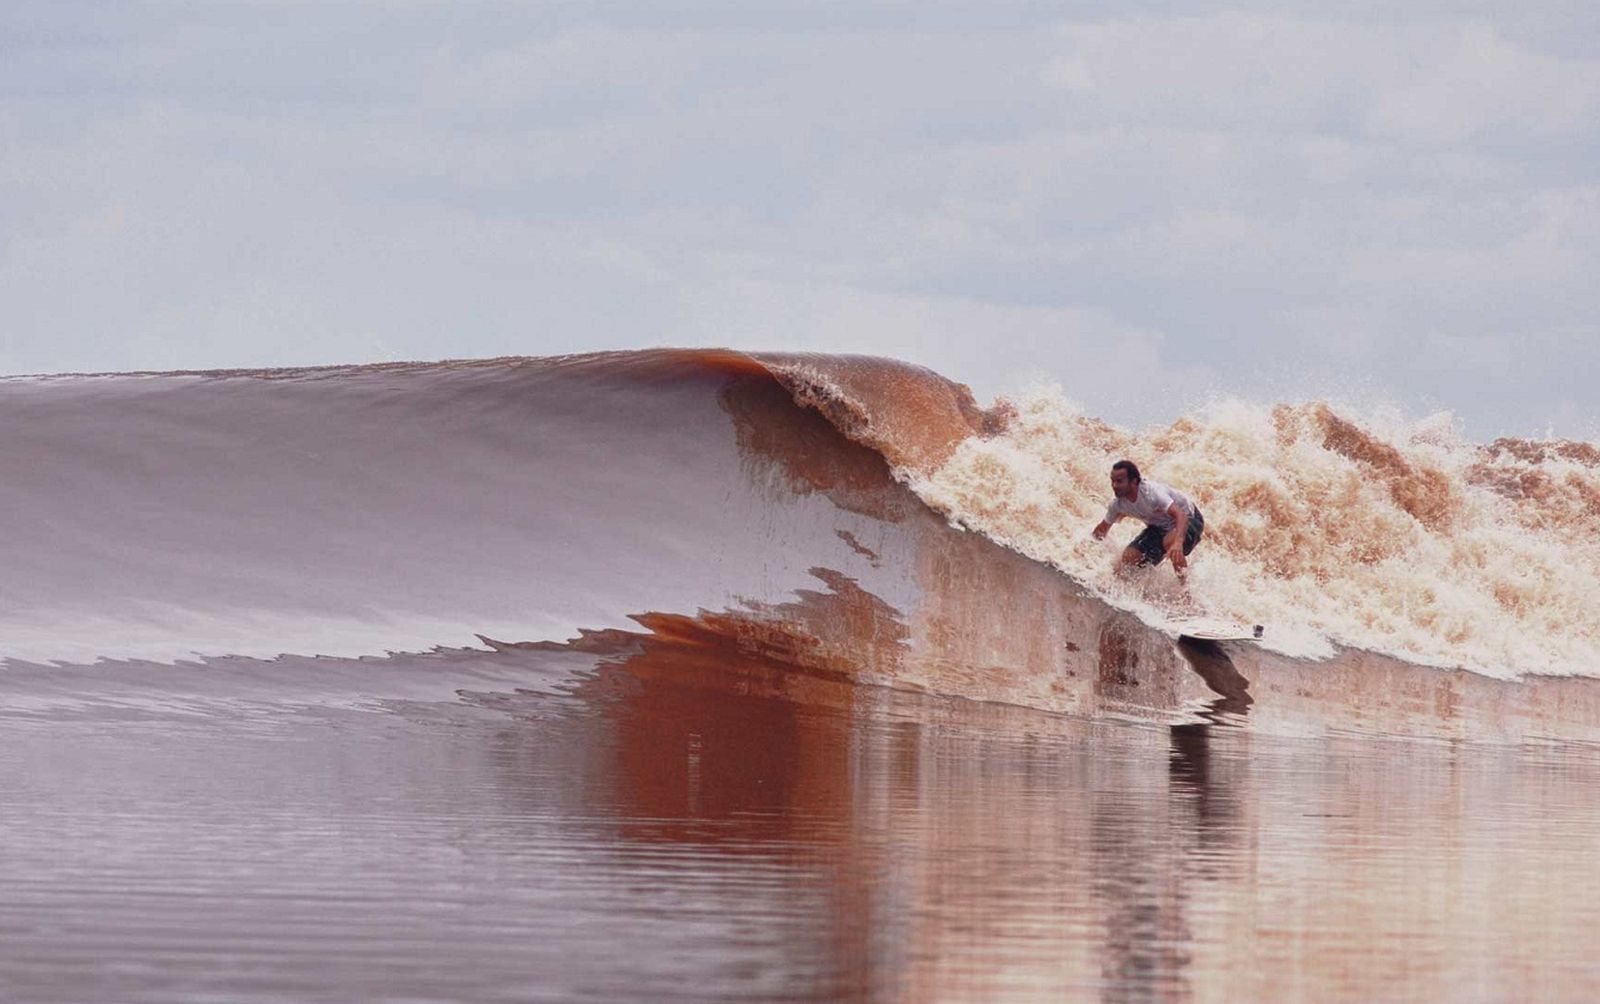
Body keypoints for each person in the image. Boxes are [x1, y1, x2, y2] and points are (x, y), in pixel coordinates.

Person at [1091, 460, 1204, 575]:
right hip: (1159, 527)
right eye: (1113, 481)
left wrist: (1178, 543)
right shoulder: (1117, 505)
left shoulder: (1152, 494)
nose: (1114, 486)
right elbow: (1102, 529)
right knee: (1129, 557)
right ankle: (1142, 588)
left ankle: (1185, 589)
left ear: (1134, 481)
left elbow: (1181, 515)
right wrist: (1088, 548)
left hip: (1190, 519)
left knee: (1170, 542)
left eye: (1119, 481)